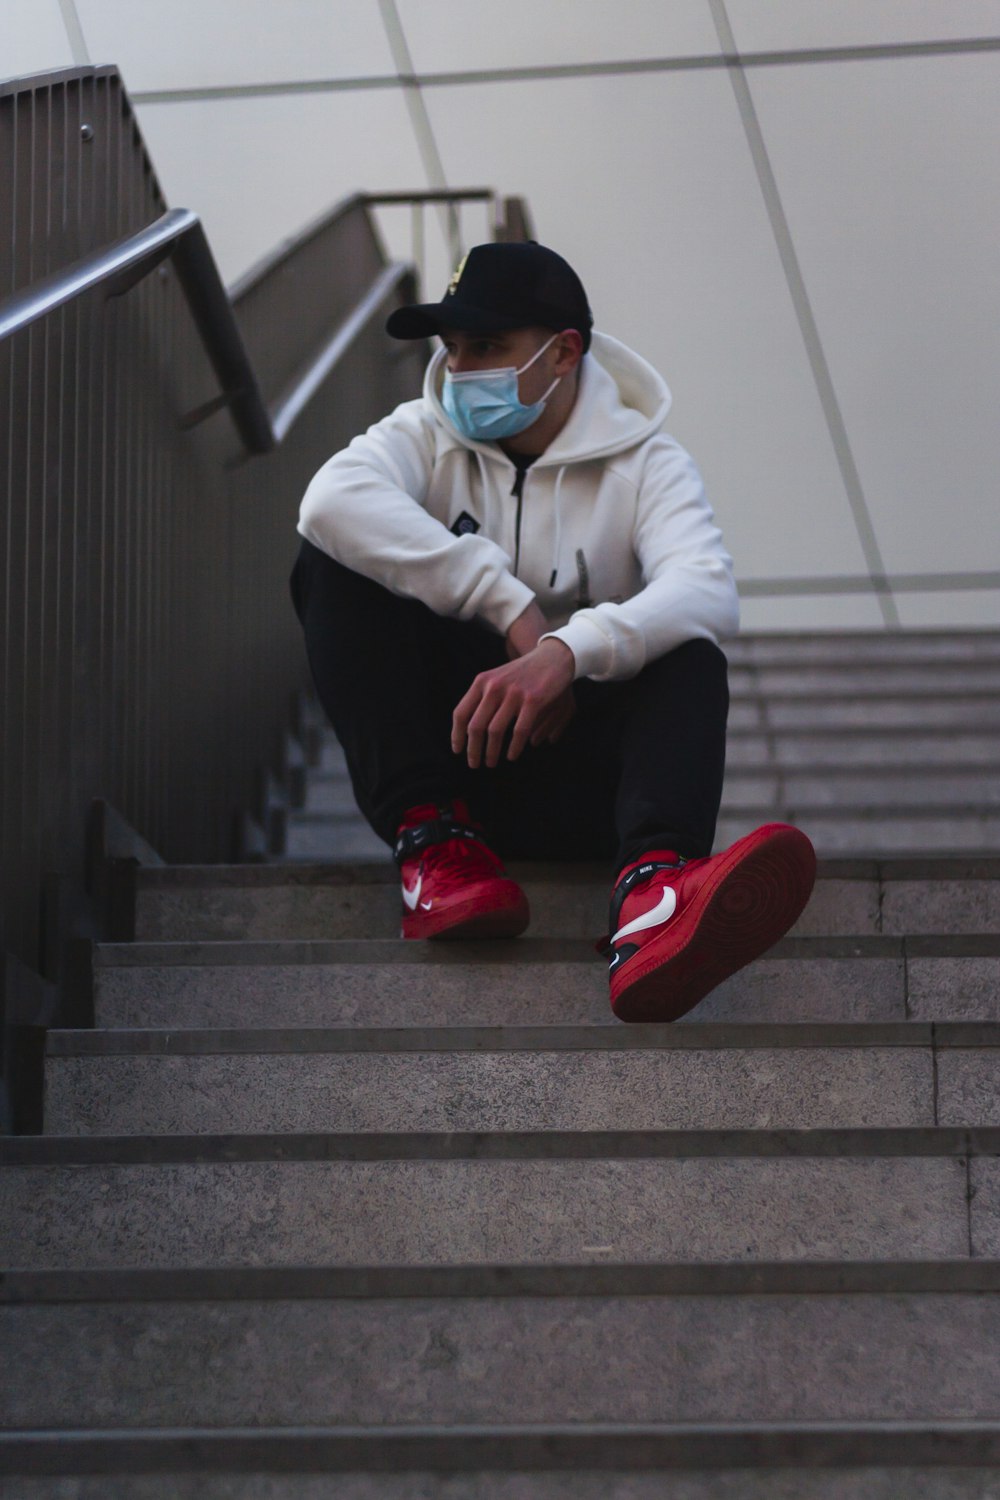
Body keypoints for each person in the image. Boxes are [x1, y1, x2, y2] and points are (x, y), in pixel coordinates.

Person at [291, 240, 815, 1022]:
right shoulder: (424, 434)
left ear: (565, 351)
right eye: (455, 348)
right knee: (330, 565)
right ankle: (433, 848)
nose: (462, 370)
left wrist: (567, 654)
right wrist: (504, 603)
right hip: (467, 761)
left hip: (590, 783)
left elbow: (705, 587)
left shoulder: (649, 463)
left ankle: (652, 893)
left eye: (489, 347)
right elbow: (329, 503)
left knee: (687, 649)